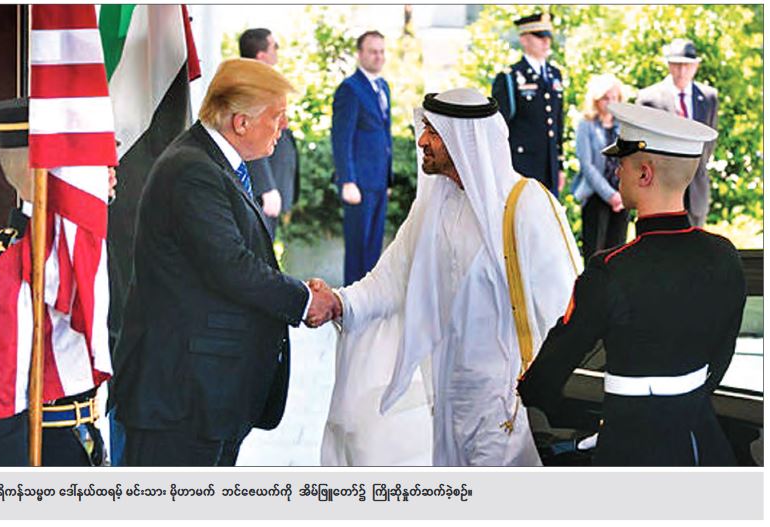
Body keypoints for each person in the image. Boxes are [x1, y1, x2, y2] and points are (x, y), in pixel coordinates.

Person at [315, 88, 580, 466]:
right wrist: (338, 303)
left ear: (465, 139)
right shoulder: (433, 206)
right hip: (449, 397)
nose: (422, 140)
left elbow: (564, 310)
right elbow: (391, 278)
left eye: (434, 132)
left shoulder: (525, 205)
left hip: (509, 405)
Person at [109, 59, 339, 466]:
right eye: (277, 116)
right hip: (181, 399)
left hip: (206, 397)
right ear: (241, 122)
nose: (284, 126)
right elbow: (231, 266)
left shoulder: (212, 164)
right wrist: (305, 300)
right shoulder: (192, 170)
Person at [518, 102, 745, 466]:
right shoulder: (724, 255)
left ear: (644, 173)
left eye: (621, 163)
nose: (616, 171)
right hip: (704, 446)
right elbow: (721, 355)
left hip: (631, 450)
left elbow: (546, 379)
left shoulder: (611, 270)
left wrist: (539, 398)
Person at [0, 98, 114, 466]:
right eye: (93, 159)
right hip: (37, 453)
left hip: (82, 442)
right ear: (51, 171)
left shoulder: (87, 254)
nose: (112, 170)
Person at [331, 30, 393, 285]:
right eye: (373, 51)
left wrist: (387, 180)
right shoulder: (350, 89)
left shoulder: (383, 86)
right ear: (360, 54)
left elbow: (384, 134)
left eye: (382, 51)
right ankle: (352, 303)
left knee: (373, 249)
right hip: (358, 184)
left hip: (379, 181)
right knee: (358, 249)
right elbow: (341, 138)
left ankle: (370, 301)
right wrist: (347, 181)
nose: (378, 56)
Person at [636, 38, 718, 227]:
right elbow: (642, 145)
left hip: (696, 189)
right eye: (676, 65)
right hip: (661, 190)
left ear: (696, 66)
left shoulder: (708, 98)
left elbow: (710, 141)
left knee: (695, 243)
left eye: (687, 66)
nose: (682, 71)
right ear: (668, 65)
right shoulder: (649, 99)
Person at [491, 12, 565, 196]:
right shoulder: (510, 77)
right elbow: (498, 127)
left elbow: (557, 122)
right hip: (522, 167)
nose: (546, 42)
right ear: (524, 39)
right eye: (540, 37)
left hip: (549, 167)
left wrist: (559, 165)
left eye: (548, 37)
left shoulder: (555, 75)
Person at [239, 28, 300, 239]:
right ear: (261, 55)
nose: (278, 51)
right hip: (261, 190)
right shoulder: (252, 87)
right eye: (275, 46)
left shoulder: (262, 84)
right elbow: (252, 136)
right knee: (258, 247)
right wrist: (266, 187)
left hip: (270, 181)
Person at [571, 74, 630, 261]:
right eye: (606, 98)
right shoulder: (586, 125)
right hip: (595, 196)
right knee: (595, 255)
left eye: (615, 98)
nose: (610, 102)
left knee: (617, 255)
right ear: (596, 100)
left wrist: (621, 195)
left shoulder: (625, 127)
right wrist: (610, 195)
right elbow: (587, 165)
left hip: (622, 197)